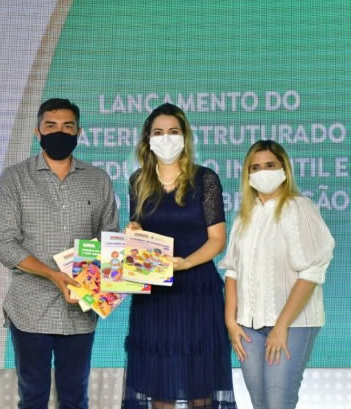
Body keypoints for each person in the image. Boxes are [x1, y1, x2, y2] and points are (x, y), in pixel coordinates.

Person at [0, 98, 119, 409]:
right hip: (29, 309)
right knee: (33, 398)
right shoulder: (14, 178)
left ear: (79, 132)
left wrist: (95, 278)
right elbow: (6, 244)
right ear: (37, 131)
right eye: (51, 126)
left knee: (75, 398)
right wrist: (53, 274)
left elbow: (109, 241)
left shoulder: (98, 179)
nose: (59, 132)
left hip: (80, 308)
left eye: (67, 127)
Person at [123, 103, 237, 409]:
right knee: (159, 384)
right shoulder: (138, 181)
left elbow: (217, 240)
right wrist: (134, 231)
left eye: (173, 132)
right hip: (155, 294)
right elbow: (140, 232)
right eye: (158, 132)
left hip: (197, 290)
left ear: (185, 137)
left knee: (200, 384)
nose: (166, 138)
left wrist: (185, 263)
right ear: (147, 139)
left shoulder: (205, 179)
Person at [220, 140, 334, 409]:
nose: (263, 172)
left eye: (270, 165)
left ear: (284, 169)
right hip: (248, 325)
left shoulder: (299, 208)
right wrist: (231, 322)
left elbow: (311, 271)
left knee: (278, 401)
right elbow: (232, 271)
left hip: (292, 324)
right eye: (255, 167)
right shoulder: (244, 217)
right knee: (260, 402)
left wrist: (282, 325)